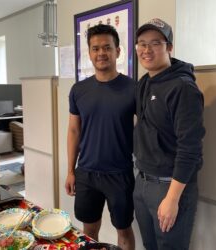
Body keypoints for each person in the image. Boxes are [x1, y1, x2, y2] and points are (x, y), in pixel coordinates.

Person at [133, 18, 206, 250]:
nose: (146, 49)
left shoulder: (183, 88)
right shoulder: (144, 82)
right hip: (143, 181)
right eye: (142, 43)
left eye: (155, 43)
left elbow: (190, 149)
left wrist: (172, 199)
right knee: (149, 246)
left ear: (169, 47)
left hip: (169, 188)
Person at [65, 24, 135, 250]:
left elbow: (147, 129)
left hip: (120, 173)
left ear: (118, 51)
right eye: (95, 48)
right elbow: (74, 130)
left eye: (107, 47)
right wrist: (70, 171)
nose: (101, 53)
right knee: (89, 230)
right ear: (89, 53)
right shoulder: (79, 90)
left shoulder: (134, 88)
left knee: (123, 229)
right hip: (86, 173)